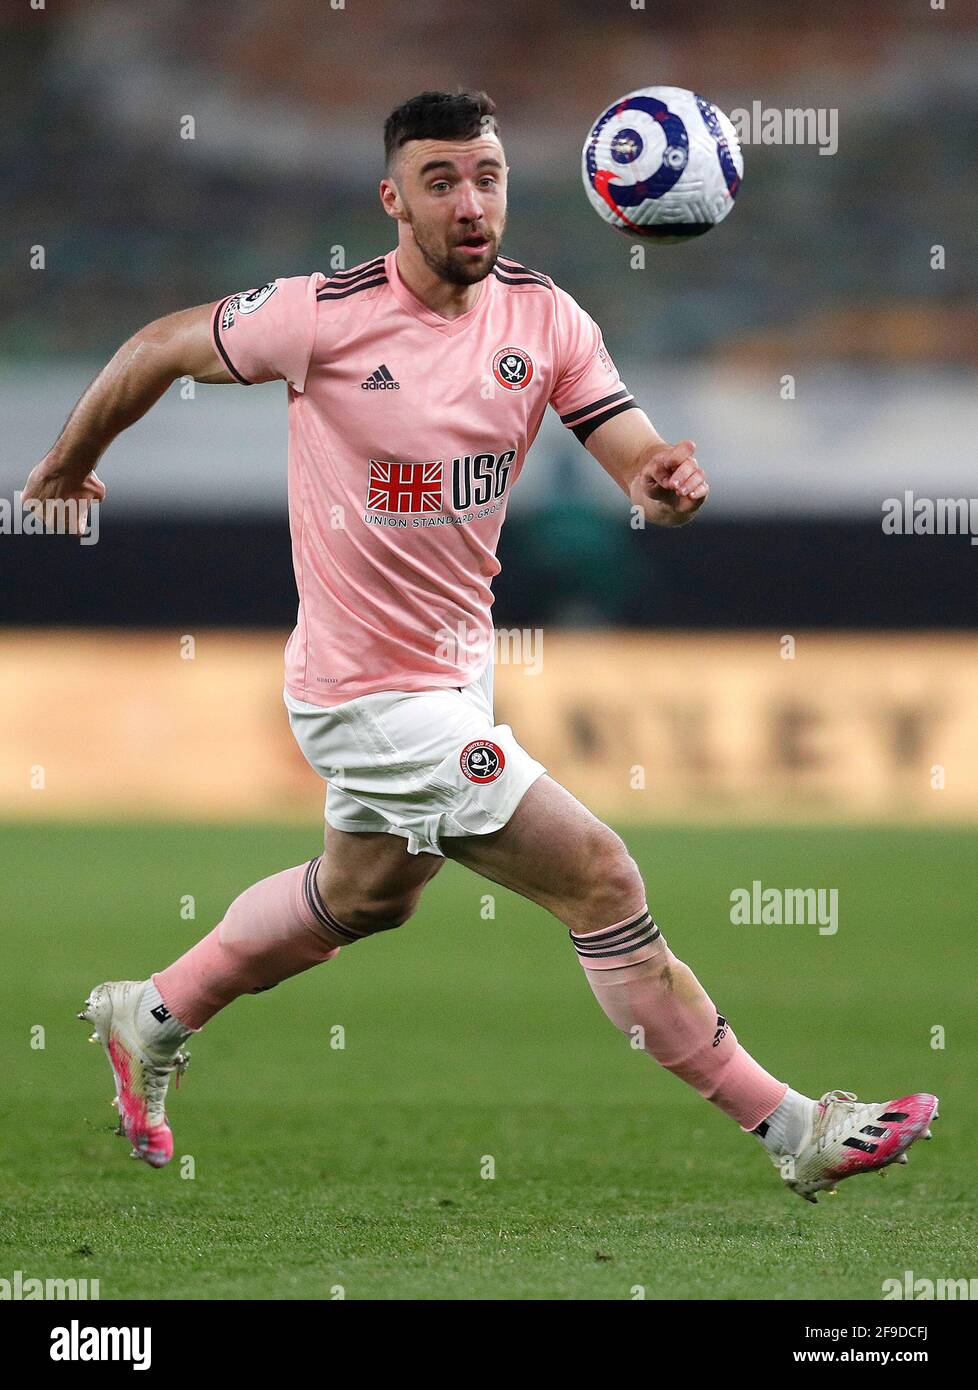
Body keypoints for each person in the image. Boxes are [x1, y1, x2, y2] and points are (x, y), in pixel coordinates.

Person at [25, 90, 937, 1202]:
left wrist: (666, 483)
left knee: (362, 897)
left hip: (456, 670)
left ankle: (151, 1011)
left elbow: (634, 456)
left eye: (488, 177)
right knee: (602, 877)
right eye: (443, 180)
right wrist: (70, 464)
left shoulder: (546, 320)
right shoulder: (320, 316)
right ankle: (795, 1126)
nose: (471, 202)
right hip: (364, 692)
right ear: (393, 199)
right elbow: (158, 345)